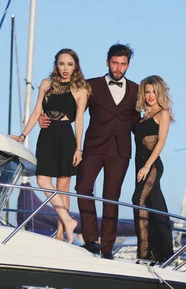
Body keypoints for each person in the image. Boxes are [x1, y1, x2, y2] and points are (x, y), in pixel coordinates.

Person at [40, 43, 139, 260]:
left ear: (128, 65)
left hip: (120, 151)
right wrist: (44, 116)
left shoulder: (135, 89)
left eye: (123, 64)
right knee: (83, 187)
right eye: (115, 63)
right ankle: (90, 240)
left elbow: (137, 122)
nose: (118, 68)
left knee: (111, 198)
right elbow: (73, 111)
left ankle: (107, 248)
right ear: (107, 62)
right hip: (93, 147)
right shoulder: (90, 86)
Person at [11, 48, 89, 243]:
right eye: (62, 64)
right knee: (43, 180)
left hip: (66, 136)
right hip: (46, 135)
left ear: (75, 67)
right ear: (56, 64)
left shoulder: (81, 90)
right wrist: (23, 135)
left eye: (70, 64)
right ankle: (67, 220)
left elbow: (79, 120)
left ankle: (63, 233)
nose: (65, 68)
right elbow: (37, 111)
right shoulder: (46, 84)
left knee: (63, 187)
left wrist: (79, 148)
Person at [131, 75, 175, 263]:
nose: (150, 96)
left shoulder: (162, 113)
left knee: (137, 199)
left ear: (160, 93)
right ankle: (156, 253)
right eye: (147, 92)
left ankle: (143, 252)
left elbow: (162, 141)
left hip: (152, 166)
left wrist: (147, 166)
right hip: (139, 165)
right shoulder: (143, 116)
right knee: (152, 206)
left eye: (154, 92)